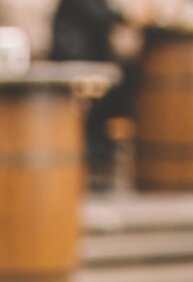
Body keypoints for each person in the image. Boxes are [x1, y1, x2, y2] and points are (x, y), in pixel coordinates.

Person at [53, 0, 141, 182]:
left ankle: (100, 145)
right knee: (120, 83)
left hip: (90, 58)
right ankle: (95, 148)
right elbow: (99, 14)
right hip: (74, 58)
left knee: (128, 77)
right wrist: (128, 16)